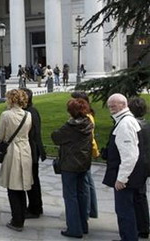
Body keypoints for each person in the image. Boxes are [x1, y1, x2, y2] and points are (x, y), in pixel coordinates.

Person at [103, 93, 146, 241]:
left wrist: (121, 178)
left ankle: (128, 238)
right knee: (128, 209)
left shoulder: (125, 124)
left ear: (123, 105)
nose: (111, 109)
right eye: (109, 106)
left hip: (127, 177)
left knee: (124, 210)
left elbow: (130, 155)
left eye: (113, 106)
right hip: (132, 174)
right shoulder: (127, 120)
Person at [51, 98, 93, 238]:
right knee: (82, 194)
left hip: (70, 164)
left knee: (70, 196)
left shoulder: (70, 127)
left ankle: (74, 228)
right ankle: (83, 224)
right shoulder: (88, 123)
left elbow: (56, 137)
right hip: (83, 162)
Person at [0, 89, 32, 232]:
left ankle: (17, 220)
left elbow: (0, 136)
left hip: (12, 151)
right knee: (21, 186)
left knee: (12, 187)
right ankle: (21, 216)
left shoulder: (6, 115)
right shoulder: (28, 115)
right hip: (25, 149)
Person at [71, 91, 99, 219]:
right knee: (88, 182)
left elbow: (90, 138)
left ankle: (87, 211)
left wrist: (94, 151)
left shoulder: (86, 118)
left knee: (86, 184)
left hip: (83, 153)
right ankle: (91, 210)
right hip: (86, 152)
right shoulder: (88, 116)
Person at [23, 88, 46, 219]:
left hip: (31, 149)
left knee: (32, 180)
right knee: (32, 179)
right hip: (32, 148)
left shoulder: (30, 112)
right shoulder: (31, 111)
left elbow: (32, 133)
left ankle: (34, 208)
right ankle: (36, 206)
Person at [128, 97, 150, 239]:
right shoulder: (146, 125)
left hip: (137, 165)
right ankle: (143, 225)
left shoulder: (132, 126)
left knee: (136, 196)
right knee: (140, 195)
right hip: (145, 163)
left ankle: (141, 226)